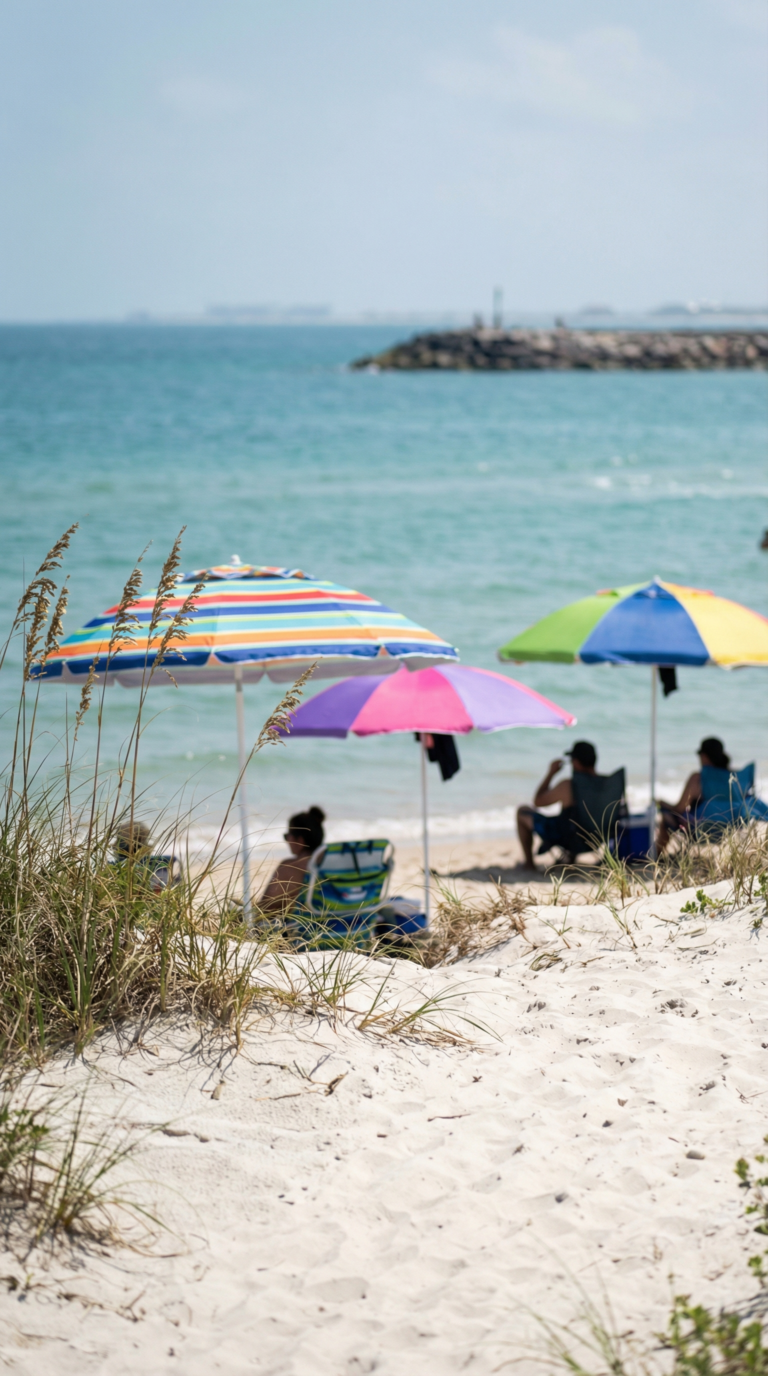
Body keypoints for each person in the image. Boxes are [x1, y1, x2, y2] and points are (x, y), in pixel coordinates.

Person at [516, 741, 597, 870]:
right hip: (597, 837)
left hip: (567, 838)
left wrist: (551, 773)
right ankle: (571, 856)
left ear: (576, 762)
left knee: (522, 811)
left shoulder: (568, 785)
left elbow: (538, 801)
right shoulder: (607, 785)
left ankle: (529, 864)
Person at [657, 737, 730, 852]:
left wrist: (662, 803)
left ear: (704, 756)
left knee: (666, 816)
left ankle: (657, 855)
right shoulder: (732, 777)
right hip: (726, 829)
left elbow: (679, 808)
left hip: (699, 830)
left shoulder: (698, 778)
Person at [257, 806, 325, 917]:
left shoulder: (290, 867)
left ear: (300, 840)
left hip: (303, 926)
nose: (287, 841)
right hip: (344, 923)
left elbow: (265, 909)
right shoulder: (334, 862)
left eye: (287, 836)